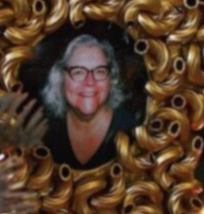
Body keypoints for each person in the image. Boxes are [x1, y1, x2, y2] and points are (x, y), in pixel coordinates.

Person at [41, 35, 136, 169]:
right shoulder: (43, 132)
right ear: (61, 79)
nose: (90, 82)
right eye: (78, 72)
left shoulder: (133, 134)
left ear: (110, 79)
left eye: (100, 71)